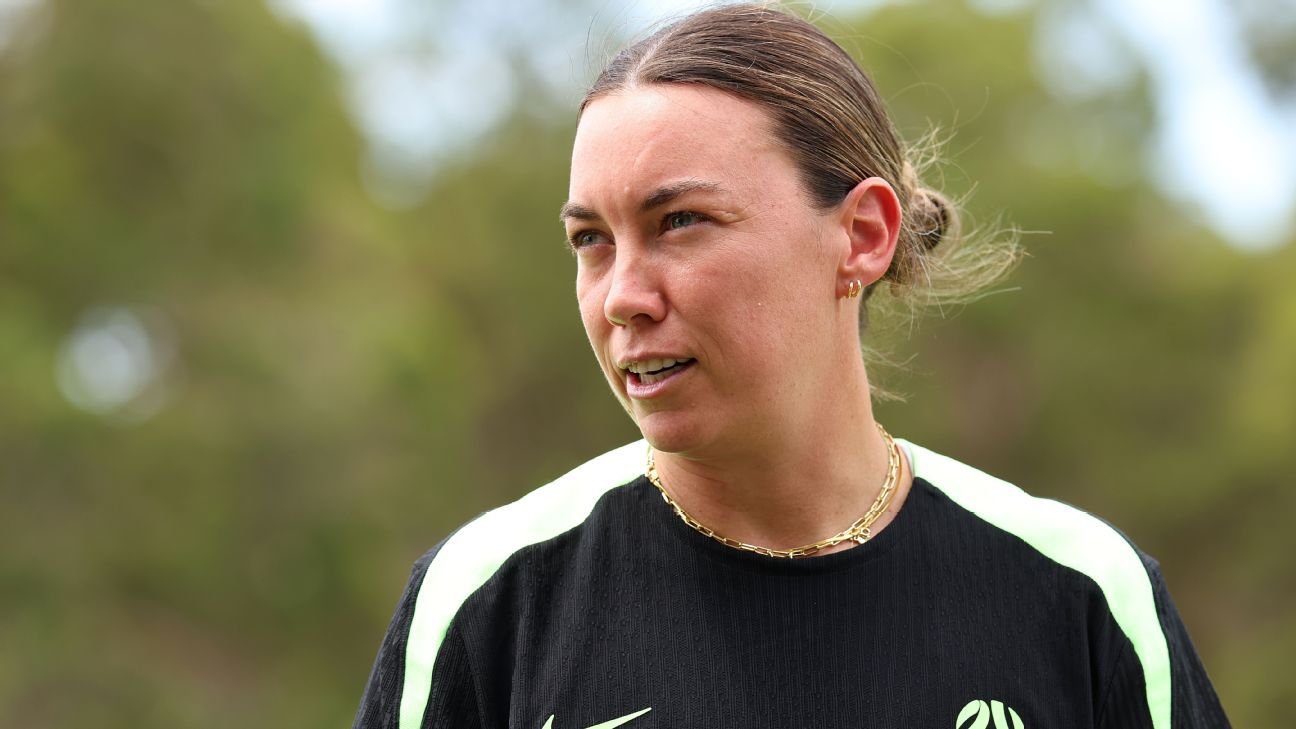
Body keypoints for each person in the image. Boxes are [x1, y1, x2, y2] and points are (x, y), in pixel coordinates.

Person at [353, 5, 1230, 728]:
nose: (622, 294)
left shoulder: (1080, 593)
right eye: (591, 239)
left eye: (681, 221)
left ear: (862, 236)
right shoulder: (489, 600)